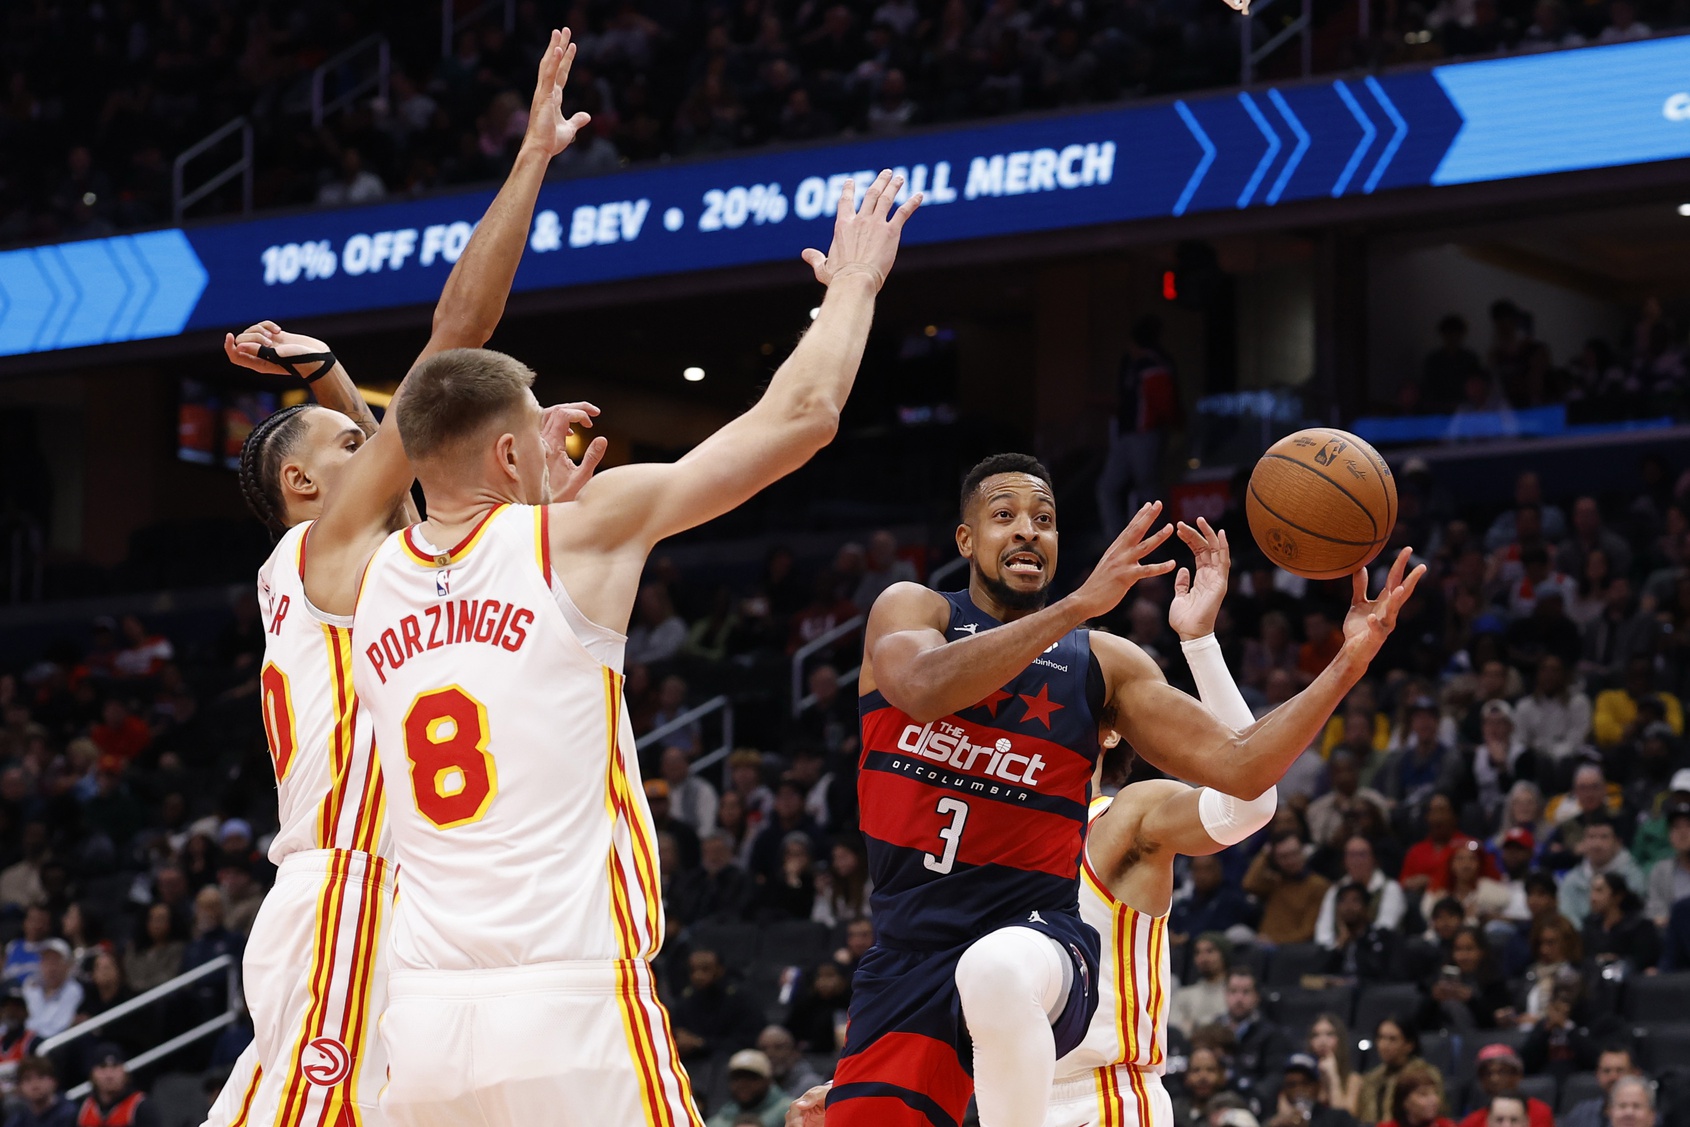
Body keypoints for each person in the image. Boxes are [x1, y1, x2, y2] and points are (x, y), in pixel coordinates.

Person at [315, 160, 919, 1126]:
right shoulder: (575, 534)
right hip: (569, 1000)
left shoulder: (353, 574)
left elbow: (431, 455)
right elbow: (801, 418)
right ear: (512, 454)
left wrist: (519, 476)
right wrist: (852, 285)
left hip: (421, 1018)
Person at [208, 34, 612, 1127]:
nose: (377, 444)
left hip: (416, 896)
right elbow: (450, 352)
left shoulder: (364, 563)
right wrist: (529, 157)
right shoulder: (313, 555)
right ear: (301, 478)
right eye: (350, 442)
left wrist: (527, 480)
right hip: (349, 882)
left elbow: (398, 452)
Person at [831, 456, 1421, 1127]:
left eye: (1045, 519)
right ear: (965, 540)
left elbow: (1243, 769)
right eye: (1005, 516)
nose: (1028, 531)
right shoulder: (912, 609)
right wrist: (1078, 603)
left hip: (1043, 951)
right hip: (908, 962)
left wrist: (1349, 660)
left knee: (994, 967)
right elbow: (921, 690)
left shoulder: (1103, 667)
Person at [1096, 315, 1179, 537]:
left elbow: (1164, 404)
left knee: (1149, 489)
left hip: (1146, 435)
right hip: (1126, 436)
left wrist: (1170, 427)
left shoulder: (1156, 364)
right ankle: (1114, 543)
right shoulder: (1129, 362)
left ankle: (1159, 540)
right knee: (1107, 488)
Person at [1314, 836, 1407, 947]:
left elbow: (1385, 927)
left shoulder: (1390, 888)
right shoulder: (1335, 890)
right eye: (1351, 855)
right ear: (1344, 861)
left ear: (1373, 858)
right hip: (1340, 952)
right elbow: (1323, 933)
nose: (1356, 861)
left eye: (1362, 854)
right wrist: (1335, 948)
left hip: (1380, 954)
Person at [1244, 831, 1330, 944]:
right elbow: (1249, 884)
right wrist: (1266, 853)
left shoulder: (1318, 885)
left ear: (1303, 852)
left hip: (1293, 949)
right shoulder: (1275, 881)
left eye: (1295, 854)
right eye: (1283, 857)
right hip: (1264, 944)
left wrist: (1274, 941)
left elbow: (1309, 931)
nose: (1290, 861)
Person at [1559, 812, 1645, 924]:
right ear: (1583, 842)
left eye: (1604, 837)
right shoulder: (1571, 880)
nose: (1596, 844)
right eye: (1591, 837)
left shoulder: (1633, 877)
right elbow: (1567, 920)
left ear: (1618, 842)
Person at [1357, 1019, 1445, 1125]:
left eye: (1392, 1039)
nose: (1384, 1045)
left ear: (1409, 1045)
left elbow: (1436, 1111)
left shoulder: (1426, 1075)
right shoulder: (1371, 1078)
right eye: (1380, 1038)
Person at [1453, 1045, 1552, 1127]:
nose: (1494, 1078)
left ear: (1518, 1075)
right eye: (1487, 1073)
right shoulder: (1471, 1122)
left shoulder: (1540, 1112)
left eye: (1502, 1072)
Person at [1580, 872, 1660, 970]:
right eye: (1592, 891)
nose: (1592, 897)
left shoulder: (1639, 925)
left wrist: (1619, 961)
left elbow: (1645, 959)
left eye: (1599, 891)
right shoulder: (1590, 924)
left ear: (1617, 896)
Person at [1263, 1054, 1359, 1127]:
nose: (1299, 1089)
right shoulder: (1276, 1122)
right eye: (1292, 1085)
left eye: (1305, 1083)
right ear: (1284, 1089)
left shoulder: (1338, 1119)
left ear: (1318, 1086)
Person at [74, 1046, 160, 1127]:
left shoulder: (140, 1106)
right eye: (102, 1067)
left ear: (124, 1071)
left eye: (115, 1066)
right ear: (92, 1073)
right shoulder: (84, 1109)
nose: (109, 1075)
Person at [1559, 1045, 1639, 1127]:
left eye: (1620, 1070)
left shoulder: (1645, 1114)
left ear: (1635, 1074)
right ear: (1597, 1074)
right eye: (1606, 1071)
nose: (1613, 1077)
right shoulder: (1582, 1113)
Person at [708, 1050, 791, 1127]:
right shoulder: (720, 1120)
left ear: (768, 1081)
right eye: (737, 1078)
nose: (742, 1085)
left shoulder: (789, 1111)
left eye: (751, 1078)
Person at [1171, 934, 1231, 1036]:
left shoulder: (1235, 993)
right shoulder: (1184, 995)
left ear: (1224, 955)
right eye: (1198, 953)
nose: (1203, 958)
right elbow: (1173, 1026)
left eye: (1210, 951)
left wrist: (1195, 1025)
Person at [1644, 797, 1690, 926]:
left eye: (1688, 825)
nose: (1683, 832)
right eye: (1676, 827)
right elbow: (1655, 915)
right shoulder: (1661, 871)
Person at [22, 940, 81, 1039]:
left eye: (56, 961)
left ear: (67, 966)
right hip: (27, 1042)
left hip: (54, 1044)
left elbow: (59, 1026)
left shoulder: (73, 990)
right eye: (46, 960)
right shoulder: (31, 988)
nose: (51, 968)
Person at [1308, 1014, 1361, 1117]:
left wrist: (1333, 1077)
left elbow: (1345, 1120)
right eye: (1316, 1035)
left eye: (1329, 1034)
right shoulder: (1301, 1079)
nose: (1322, 1041)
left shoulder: (1353, 1080)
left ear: (1340, 1040)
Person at [758, 1025, 824, 1102]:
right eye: (764, 1049)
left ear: (794, 1052)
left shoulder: (812, 1086)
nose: (771, 1054)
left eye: (779, 1047)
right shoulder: (758, 1085)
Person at [5, 1057, 74, 1127]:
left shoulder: (68, 1113)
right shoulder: (21, 1115)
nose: (35, 1084)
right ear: (20, 1087)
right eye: (28, 1079)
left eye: (41, 1077)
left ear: (54, 1081)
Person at [1378, 1063, 1453, 1127]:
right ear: (1404, 1102)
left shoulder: (1446, 1125)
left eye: (1435, 1093)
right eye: (1423, 1094)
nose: (1434, 1099)